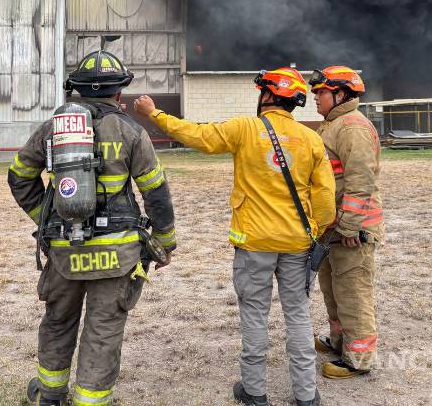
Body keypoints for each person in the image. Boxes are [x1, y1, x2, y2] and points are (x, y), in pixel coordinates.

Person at [134, 68, 335, 406]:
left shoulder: (244, 129)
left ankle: (255, 392)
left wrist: (154, 114)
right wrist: (313, 230)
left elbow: (197, 135)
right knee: (298, 315)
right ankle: (306, 394)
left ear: (269, 95)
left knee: (254, 314)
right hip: (298, 244)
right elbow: (326, 200)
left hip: (254, 243)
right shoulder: (311, 139)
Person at [9, 50, 177, 406]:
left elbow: (20, 176)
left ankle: (50, 396)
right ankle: (90, 401)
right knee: (102, 333)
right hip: (117, 255)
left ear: (77, 91)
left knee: (58, 323)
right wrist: (165, 242)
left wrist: (47, 218)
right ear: (119, 93)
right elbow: (156, 193)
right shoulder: (131, 132)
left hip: (65, 251)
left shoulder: (53, 129)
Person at [309, 66, 383, 379]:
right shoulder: (332, 125)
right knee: (333, 289)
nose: (316, 98)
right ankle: (340, 342)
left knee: (352, 292)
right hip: (333, 230)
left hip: (352, 231)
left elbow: (360, 179)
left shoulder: (352, 127)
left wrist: (351, 225)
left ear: (341, 93)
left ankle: (359, 359)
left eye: (321, 92)